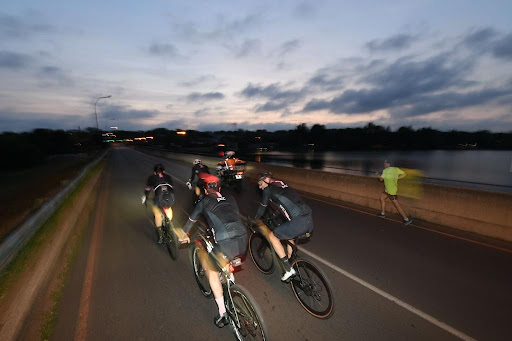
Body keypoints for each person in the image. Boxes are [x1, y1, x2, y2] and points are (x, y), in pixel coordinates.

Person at [179, 175, 248, 328]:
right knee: (227, 257)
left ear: (205, 189)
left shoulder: (203, 202)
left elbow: (191, 221)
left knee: (212, 271)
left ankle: (223, 313)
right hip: (243, 239)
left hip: (225, 242)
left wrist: (184, 235)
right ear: (219, 188)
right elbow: (228, 217)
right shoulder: (231, 199)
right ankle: (231, 280)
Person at [252, 171, 313, 282]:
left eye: (260, 184)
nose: (260, 187)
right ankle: (291, 262)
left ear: (265, 180)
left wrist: (255, 219)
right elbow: (284, 203)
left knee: (273, 237)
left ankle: (288, 269)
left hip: (298, 222)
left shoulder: (267, 190)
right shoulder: (280, 183)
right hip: (308, 219)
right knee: (290, 236)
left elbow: (263, 207)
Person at [141, 163, 175, 244]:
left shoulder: (152, 178)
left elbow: (148, 189)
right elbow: (172, 188)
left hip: (159, 197)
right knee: (168, 208)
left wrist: (145, 198)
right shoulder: (168, 177)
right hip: (170, 196)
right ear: (164, 171)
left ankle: (160, 237)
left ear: (154, 172)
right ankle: (169, 223)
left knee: (157, 213)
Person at [378, 160, 412, 226]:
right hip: (387, 190)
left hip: (391, 192)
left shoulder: (385, 170)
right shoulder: (396, 169)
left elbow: (381, 180)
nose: (384, 164)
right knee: (382, 198)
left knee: (397, 205)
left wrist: (378, 176)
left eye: (385, 163)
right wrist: (397, 178)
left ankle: (406, 219)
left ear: (388, 164)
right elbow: (404, 174)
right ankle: (382, 213)